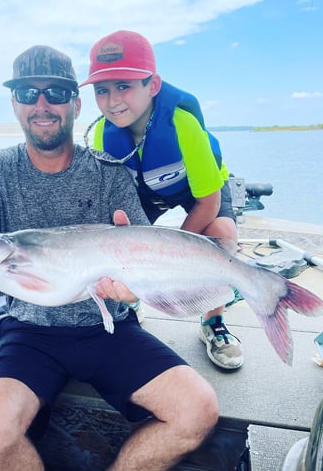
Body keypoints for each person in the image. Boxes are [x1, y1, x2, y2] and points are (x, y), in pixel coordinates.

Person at [0, 45, 218, 470]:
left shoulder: (111, 171)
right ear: (14, 104)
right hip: (27, 332)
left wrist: (131, 289)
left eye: (56, 93)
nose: (42, 105)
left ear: (76, 104)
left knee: (197, 408)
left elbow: (138, 274)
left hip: (107, 328)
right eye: (27, 93)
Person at [80, 30, 243, 370]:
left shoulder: (182, 123)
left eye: (124, 85)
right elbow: (111, 205)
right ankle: (128, 303)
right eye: (101, 90)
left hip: (197, 192)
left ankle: (213, 321)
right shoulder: (100, 135)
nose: (112, 101)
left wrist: (175, 250)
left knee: (222, 234)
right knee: (117, 237)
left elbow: (208, 203)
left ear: (152, 85)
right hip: (145, 191)